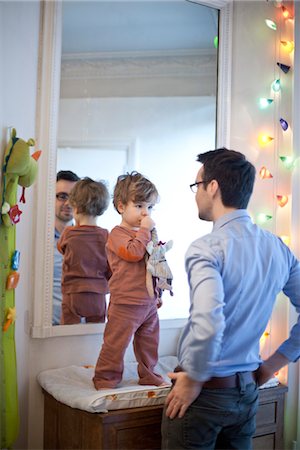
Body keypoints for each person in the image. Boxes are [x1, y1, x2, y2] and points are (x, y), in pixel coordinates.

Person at [161, 148, 300, 450]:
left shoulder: (206, 248)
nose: (195, 194)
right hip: (247, 393)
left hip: (204, 396)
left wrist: (194, 378)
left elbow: (209, 323)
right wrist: (273, 364)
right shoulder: (277, 248)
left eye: (197, 185)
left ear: (212, 187)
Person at [93, 171, 168, 389]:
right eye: (139, 206)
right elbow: (133, 253)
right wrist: (145, 231)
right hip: (125, 303)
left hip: (148, 303)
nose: (145, 213)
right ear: (121, 206)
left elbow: (153, 265)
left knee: (149, 343)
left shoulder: (146, 236)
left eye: (150, 207)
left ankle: (149, 374)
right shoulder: (117, 234)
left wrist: (158, 294)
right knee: (115, 344)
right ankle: (105, 378)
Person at [57, 177, 111, 324]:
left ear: (75, 207)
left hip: (72, 291)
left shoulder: (68, 233)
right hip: (98, 293)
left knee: (67, 332)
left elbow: (60, 248)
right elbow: (111, 265)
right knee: (95, 331)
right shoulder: (106, 235)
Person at [53, 170, 80, 325]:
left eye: (74, 198)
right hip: (46, 329)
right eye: (62, 196)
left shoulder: (90, 241)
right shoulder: (38, 241)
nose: (69, 203)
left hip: (80, 329)